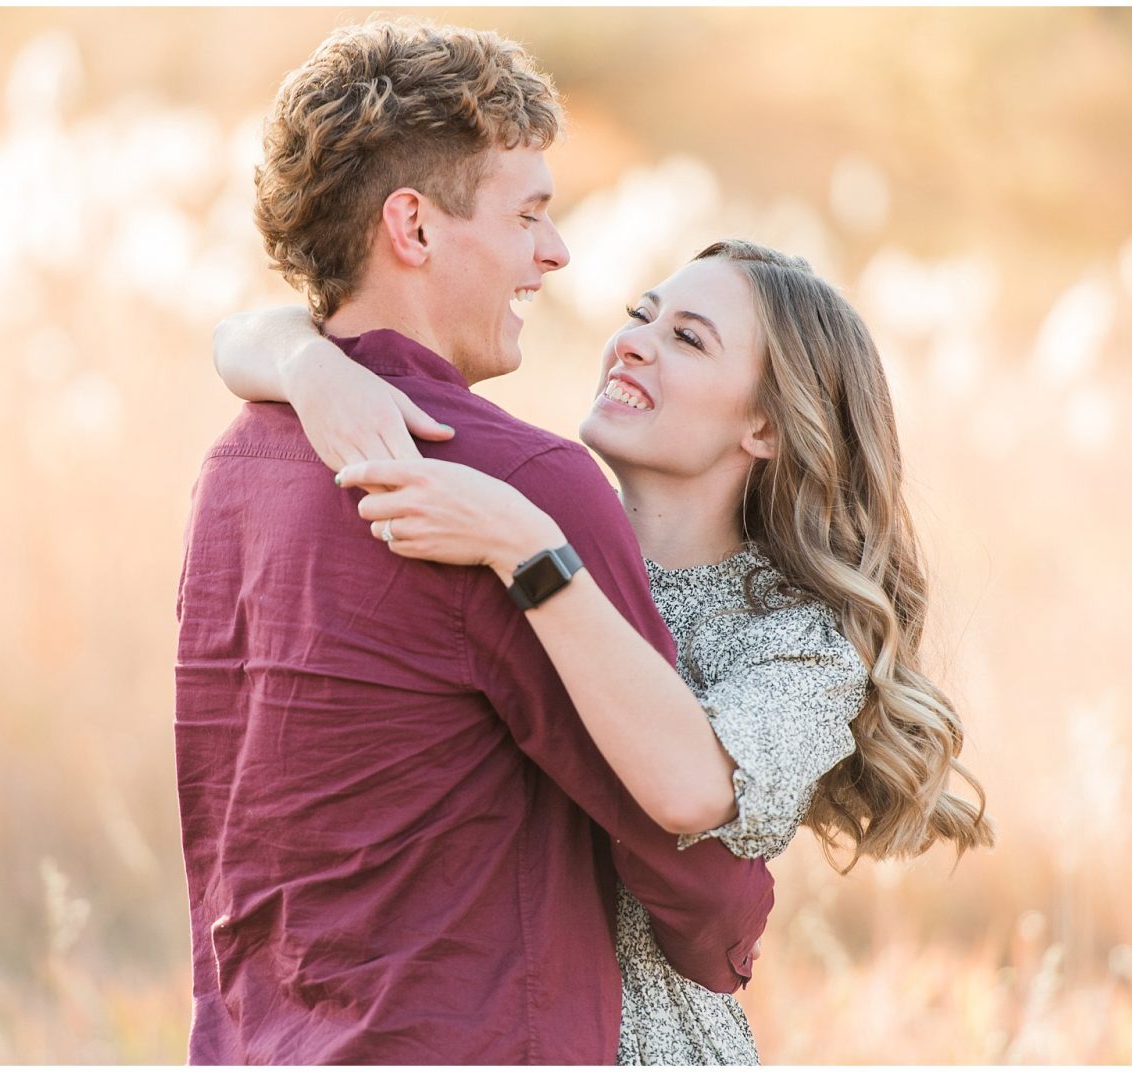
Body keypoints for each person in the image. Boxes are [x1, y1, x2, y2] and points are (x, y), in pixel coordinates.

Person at [213, 238, 997, 1063]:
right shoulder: (513, 506)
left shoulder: (799, 641)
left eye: (688, 339)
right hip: (470, 1022)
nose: (633, 342)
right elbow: (236, 337)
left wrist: (528, 552)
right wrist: (308, 364)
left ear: (764, 425)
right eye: (640, 316)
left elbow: (693, 786)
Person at [175, 19, 774, 1066]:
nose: (555, 251)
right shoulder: (521, 486)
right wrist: (734, 916)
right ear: (412, 225)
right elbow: (677, 842)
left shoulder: (232, 471)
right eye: (529, 212)